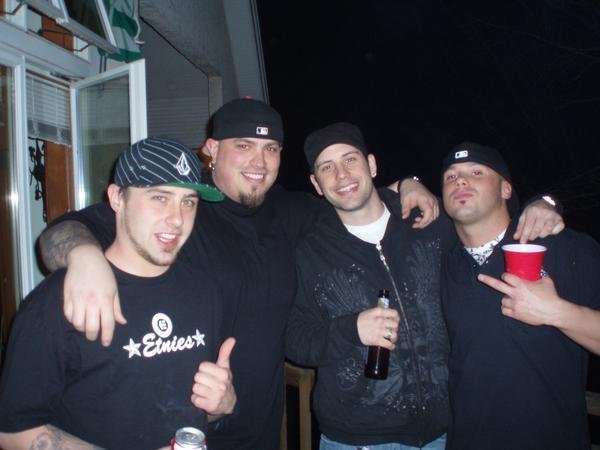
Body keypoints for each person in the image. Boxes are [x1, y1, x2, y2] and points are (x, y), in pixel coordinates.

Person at [36, 99, 440, 450]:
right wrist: (85, 257)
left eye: (271, 148)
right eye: (243, 145)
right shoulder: (180, 207)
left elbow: (352, 194)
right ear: (212, 149)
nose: (259, 162)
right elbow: (62, 233)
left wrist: (408, 184)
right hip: (175, 428)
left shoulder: (292, 212)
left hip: (259, 429)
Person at [285, 123, 566, 450]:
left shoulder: (430, 221)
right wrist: (351, 330)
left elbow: (492, 219)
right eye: (327, 168)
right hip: (358, 438)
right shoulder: (308, 250)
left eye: (350, 160)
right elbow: (294, 338)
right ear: (316, 184)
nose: (342, 175)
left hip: (447, 431)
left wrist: (546, 202)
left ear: (372, 165)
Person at [0, 137, 236, 450]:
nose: (177, 219)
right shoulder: (57, 301)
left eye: (188, 202)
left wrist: (222, 405)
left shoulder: (204, 291)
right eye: (159, 198)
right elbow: (11, 431)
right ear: (117, 198)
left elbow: (202, 406)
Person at [440, 141, 600, 450]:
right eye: (450, 176)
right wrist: (409, 183)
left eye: (476, 172)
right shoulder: (445, 263)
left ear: (505, 189)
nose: (460, 181)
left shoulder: (563, 248)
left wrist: (557, 312)